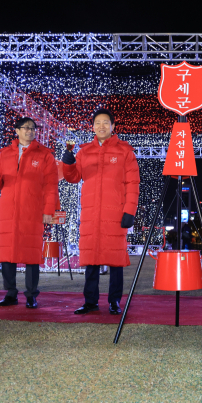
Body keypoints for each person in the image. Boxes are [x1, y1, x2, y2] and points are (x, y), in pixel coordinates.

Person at [62, 108, 140, 315]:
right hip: (90, 214)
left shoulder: (125, 151)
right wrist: (68, 163)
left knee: (115, 260)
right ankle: (90, 301)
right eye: (98, 122)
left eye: (106, 122)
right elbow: (73, 177)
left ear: (113, 126)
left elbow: (133, 183)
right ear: (93, 126)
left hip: (115, 213)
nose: (102, 126)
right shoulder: (84, 151)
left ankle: (115, 301)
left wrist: (129, 211)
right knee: (91, 259)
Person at [0, 117, 59, 309]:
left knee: (32, 254)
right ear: (16, 131)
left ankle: (31, 295)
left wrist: (48, 211)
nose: (29, 131)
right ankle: (10, 293)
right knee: (6, 253)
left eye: (32, 128)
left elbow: (51, 185)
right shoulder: (3, 154)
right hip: (8, 211)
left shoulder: (45, 155)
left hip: (32, 210)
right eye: (25, 128)